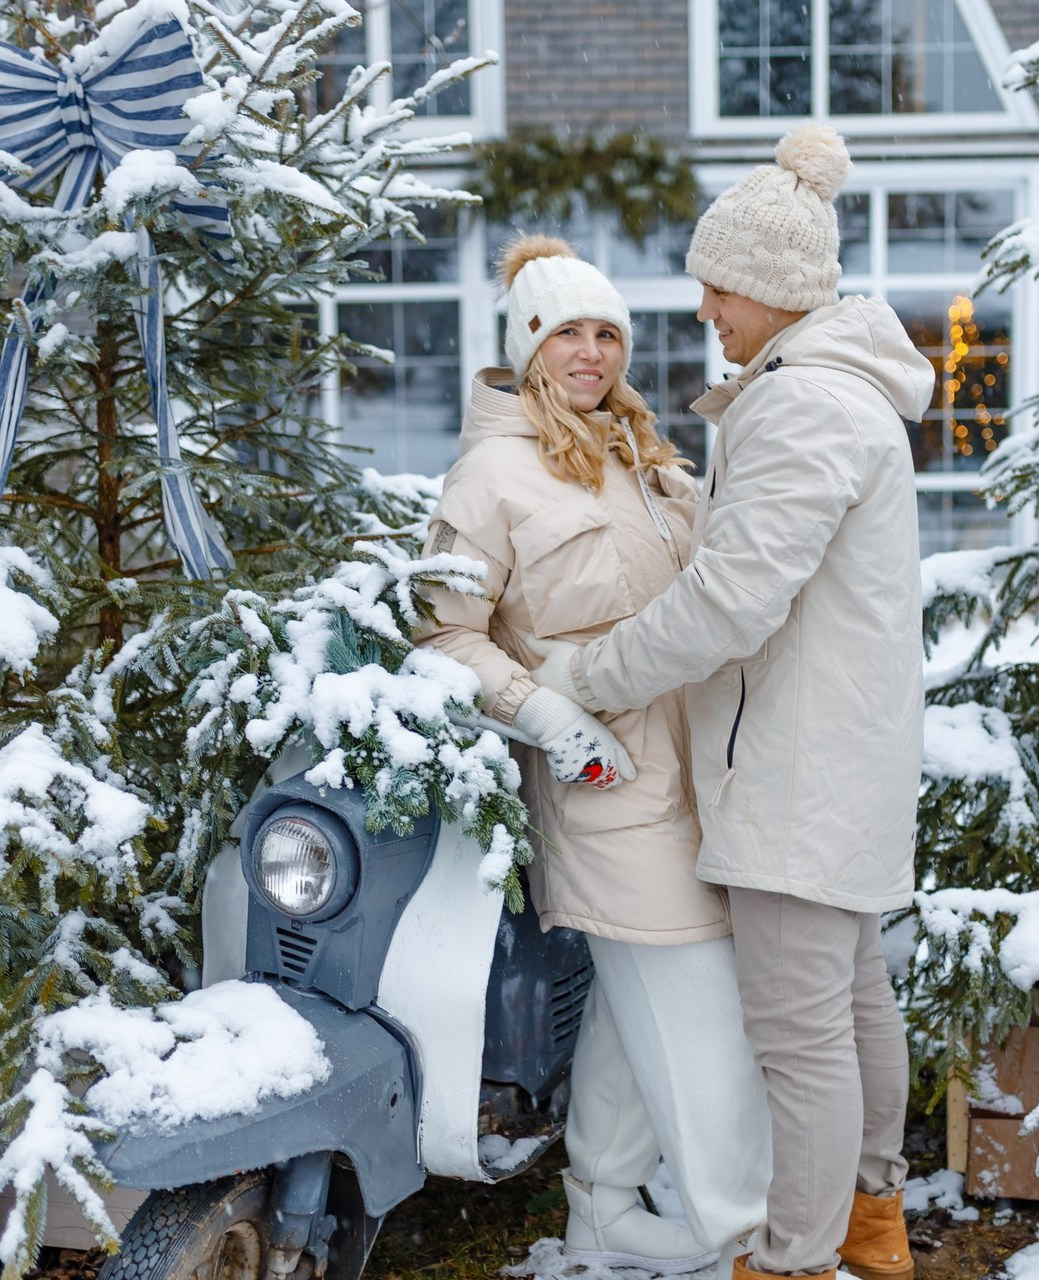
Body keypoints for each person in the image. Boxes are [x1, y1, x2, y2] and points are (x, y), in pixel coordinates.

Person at [529, 122, 936, 1280]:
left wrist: (588, 675)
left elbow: (729, 601)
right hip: (830, 755)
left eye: (718, 283)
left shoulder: (805, 405)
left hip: (796, 767)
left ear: (766, 287)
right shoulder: (823, 390)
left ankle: (798, 1259)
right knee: (853, 999)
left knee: (798, 1032)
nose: (704, 302)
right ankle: (868, 1222)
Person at [416, 235, 770, 1275]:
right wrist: (541, 712)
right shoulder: (489, 471)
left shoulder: (640, 456)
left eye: (606, 331)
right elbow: (443, 632)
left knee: (635, 999)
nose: (590, 351)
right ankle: (740, 1237)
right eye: (565, 330)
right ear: (526, 345)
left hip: (696, 766)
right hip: (603, 781)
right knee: (699, 1008)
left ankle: (604, 1210)